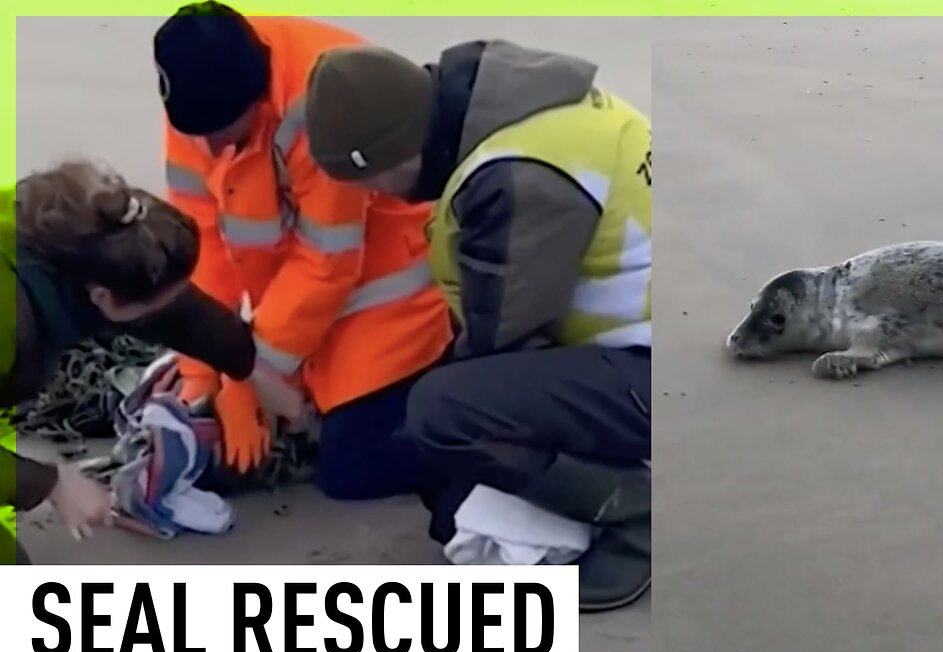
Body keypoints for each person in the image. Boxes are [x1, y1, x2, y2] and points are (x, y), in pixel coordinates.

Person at [303, 40, 652, 611]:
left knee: (442, 415)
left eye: (369, 182)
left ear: (399, 152)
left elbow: (506, 339)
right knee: (446, 473)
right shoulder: (524, 117)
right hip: (628, 354)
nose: (370, 198)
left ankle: (635, 511)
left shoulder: (515, 175)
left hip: (645, 375)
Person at [153, 4, 454, 493]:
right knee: (240, 429)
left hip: (381, 286)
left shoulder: (325, 105)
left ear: (254, 102)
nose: (207, 149)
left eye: (222, 136)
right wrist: (203, 373)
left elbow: (328, 260)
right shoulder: (197, 96)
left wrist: (248, 371)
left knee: (351, 466)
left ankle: (491, 433)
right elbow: (199, 242)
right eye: (196, 135)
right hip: (294, 303)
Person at [0, 158, 297, 564]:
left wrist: (249, 367)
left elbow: (178, 312)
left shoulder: (81, 242)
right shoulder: (10, 314)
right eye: (149, 312)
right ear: (102, 298)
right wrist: (49, 482)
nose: (158, 319)